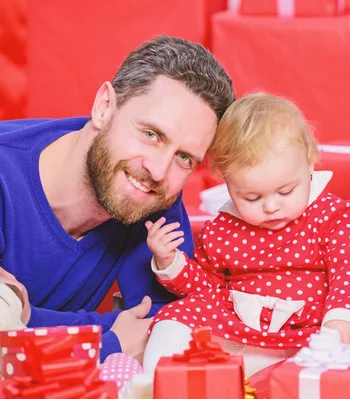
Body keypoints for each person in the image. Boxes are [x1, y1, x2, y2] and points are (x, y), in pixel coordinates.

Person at [121, 92, 350, 396]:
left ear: (310, 161)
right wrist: (171, 262)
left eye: (286, 191)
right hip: (238, 328)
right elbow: (207, 286)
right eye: (252, 198)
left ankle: (289, 379)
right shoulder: (222, 228)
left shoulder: (333, 215)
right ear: (226, 182)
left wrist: (341, 317)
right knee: (172, 318)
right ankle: (160, 380)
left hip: (308, 330)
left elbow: (349, 268)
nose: (271, 207)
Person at [0, 35, 235, 363]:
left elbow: (170, 324)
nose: (157, 170)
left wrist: (25, 320)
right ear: (104, 107)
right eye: (151, 134)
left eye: (184, 158)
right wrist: (105, 342)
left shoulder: (154, 201)